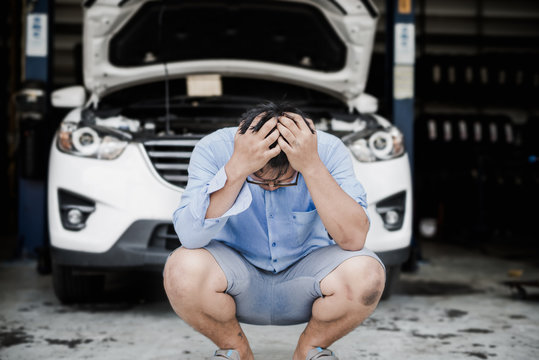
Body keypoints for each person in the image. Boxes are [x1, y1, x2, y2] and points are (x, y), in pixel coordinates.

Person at [163, 101, 386, 360]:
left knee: (367, 274)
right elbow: (189, 235)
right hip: (237, 276)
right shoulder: (214, 148)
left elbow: (354, 238)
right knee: (181, 270)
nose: (271, 187)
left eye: (284, 180)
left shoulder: (328, 150)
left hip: (307, 278)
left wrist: (311, 166)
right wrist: (237, 168)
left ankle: (310, 349)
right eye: (260, 179)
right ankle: (235, 350)